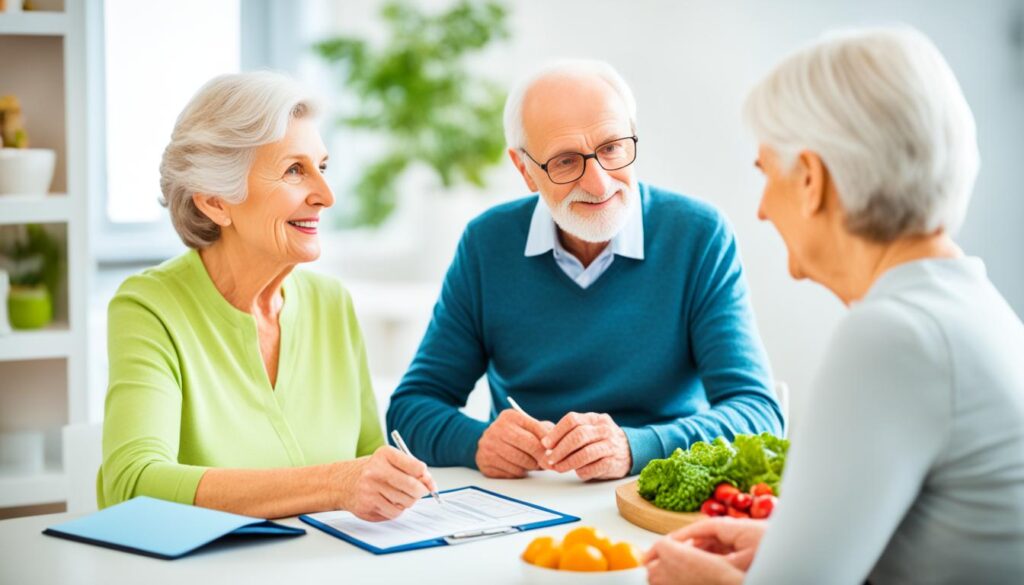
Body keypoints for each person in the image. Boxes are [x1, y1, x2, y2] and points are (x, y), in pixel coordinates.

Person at [644, 27, 1024, 585]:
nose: (762, 211)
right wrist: (794, 543)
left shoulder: (894, 335)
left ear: (811, 181)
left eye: (766, 174)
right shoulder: (970, 307)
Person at [386, 60, 784, 481]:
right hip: (525, 504)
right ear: (525, 170)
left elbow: (758, 414)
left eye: (612, 148)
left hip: (654, 492)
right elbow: (411, 408)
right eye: (565, 161)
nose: (599, 183)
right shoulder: (488, 243)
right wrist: (477, 442)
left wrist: (636, 446)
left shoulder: (698, 235)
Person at [98, 72, 436, 521]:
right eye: (295, 170)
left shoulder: (330, 302)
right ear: (216, 201)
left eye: (323, 167)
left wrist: (395, 481)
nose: (326, 196)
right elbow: (131, 483)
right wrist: (335, 484)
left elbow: (367, 456)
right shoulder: (150, 308)